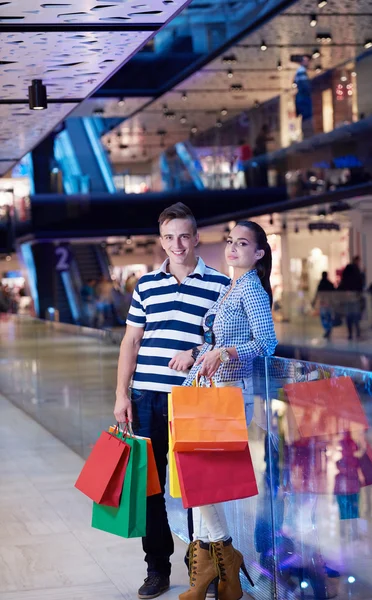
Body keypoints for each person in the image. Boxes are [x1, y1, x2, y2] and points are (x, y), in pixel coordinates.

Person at [113, 202, 230, 599]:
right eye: (169, 237)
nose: (177, 244)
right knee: (151, 488)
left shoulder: (219, 284)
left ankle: (202, 568)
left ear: (196, 238)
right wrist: (121, 394)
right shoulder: (145, 285)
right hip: (145, 395)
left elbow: (223, 342)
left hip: (193, 399)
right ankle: (157, 568)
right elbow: (131, 341)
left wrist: (197, 353)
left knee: (199, 488)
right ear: (161, 242)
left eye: (183, 236)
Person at [177, 220, 278, 600]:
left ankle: (225, 554)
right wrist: (197, 353)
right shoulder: (232, 286)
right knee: (199, 482)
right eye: (231, 241)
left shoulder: (250, 287)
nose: (233, 248)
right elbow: (217, 339)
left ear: (258, 253)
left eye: (243, 243)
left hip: (229, 393)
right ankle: (214, 577)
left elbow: (267, 342)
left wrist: (226, 352)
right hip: (209, 390)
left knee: (200, 481)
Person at [338, 257, 364, 340]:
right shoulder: (356, 270)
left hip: (348, 295)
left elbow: (343, 281)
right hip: (354, 295)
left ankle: (350, 333)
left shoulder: (348, 269)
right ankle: (357, 332)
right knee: (355, 315)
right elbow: (360, 282)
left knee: (349, 315)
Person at [294, 55, 313, 140]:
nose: (308, 63)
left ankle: (307, 137)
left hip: (302, 99)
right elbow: (304, 86)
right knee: (307, 118)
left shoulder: (300, 71)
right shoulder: (301, 71)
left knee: (306, 118)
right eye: (306, 60)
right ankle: (307, 138)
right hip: (303, 99)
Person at [313, 272, 336, 339]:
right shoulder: (329, 284)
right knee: (328, 317)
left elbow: (317, 294)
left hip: (324, 303)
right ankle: (328, 330)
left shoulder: (321, 284)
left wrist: (314, 301)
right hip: (328, 303)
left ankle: (327, 330)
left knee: (324, 317)